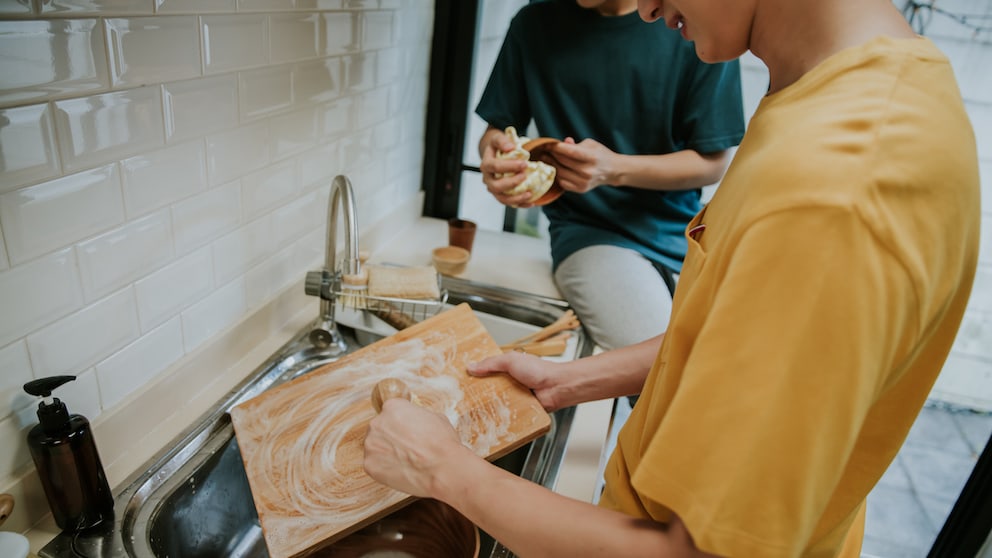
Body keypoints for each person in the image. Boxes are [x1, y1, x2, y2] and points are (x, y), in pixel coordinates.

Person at [365, 0, 981, 555]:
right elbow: (733, 338)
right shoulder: (828, 99)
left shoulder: (837, 188)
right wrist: (571, 381)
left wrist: (443, 470)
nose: (645, 7)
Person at [475, 0, 745, 353]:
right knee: (671, 366)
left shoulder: (694, 23)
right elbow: (497, 130)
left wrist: (614, 170)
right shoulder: (533, 24)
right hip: (589, 235)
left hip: (688, 237)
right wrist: (494, 156)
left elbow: (712, 163)